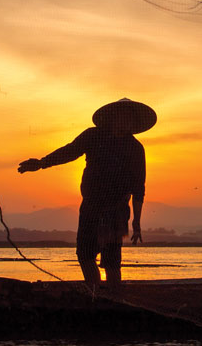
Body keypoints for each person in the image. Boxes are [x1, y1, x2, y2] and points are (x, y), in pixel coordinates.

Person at [18, 98, 155, 285]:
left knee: (112, 261)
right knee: (85, 254)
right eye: (124, 115)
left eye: (131, 117)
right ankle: (95, 294)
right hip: (91, 207)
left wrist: (137, 222)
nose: (128, 121)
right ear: (113, 117)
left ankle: (113, 298)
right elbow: (70, 151)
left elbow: (139, 187)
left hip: (117, 211)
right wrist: (42, 163)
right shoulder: (94, 136)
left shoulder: (135, 148)